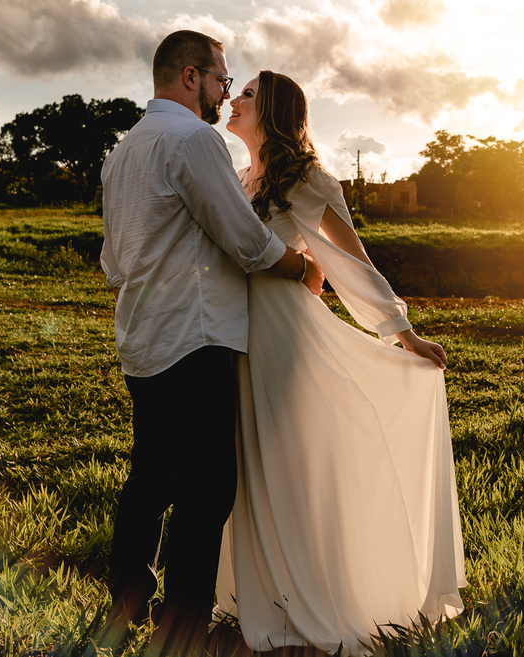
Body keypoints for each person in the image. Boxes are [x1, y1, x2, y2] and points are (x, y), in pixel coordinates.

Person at [214, 71, 466, 655]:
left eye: (247, 94)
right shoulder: (239, 175)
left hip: (280, 335)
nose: (233, 99)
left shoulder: (309, 179)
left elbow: (351, 259)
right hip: (235, 334)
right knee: (247, 465)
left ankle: (315, 598)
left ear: (273, 109)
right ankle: (264, 592)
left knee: (286, 462)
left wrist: (402, 333)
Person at [98, 32, 324, 654]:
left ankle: (125, 601)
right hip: (196, 339)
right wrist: (298, 269)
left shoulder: (123, 151)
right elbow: (245, 240)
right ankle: (183, 630)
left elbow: (112, 263)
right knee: (206, 491)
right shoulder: (196, 141)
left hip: (141, 341)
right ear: (192, 76)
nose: (227, 91)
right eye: (224, 79)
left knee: (149, 478)